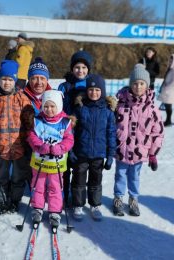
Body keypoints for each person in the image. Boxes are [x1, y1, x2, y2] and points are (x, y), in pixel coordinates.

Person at [113, 64, 164, 217]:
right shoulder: (120, 104)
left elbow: (158, 132)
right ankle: (118, 198)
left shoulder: (152, 108)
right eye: (135, 83)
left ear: (147, 86)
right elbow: (111, 126)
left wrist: (153, 154)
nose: (138, 86)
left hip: (140, 151)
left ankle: (133, 199)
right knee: (120, 174)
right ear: (130, 84)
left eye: (142, 83)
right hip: (121, 149)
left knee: (134, 176)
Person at [0, 60, 35, 215]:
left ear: (15, 80)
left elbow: (29, 123)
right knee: (1, 177)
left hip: (19, 147)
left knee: (18, 177)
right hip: (2, 148)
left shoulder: (22, 98)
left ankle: (14, 201)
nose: (6, 83)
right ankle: (1, 201)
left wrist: (29, 143)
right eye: (3, 79)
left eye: (10, 79)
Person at [70, 74, 116, 221]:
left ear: (102, 91)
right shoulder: (80, 108)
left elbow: (111, 134)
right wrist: (70, 151)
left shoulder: (108, 112)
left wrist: (110, 156)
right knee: (79, 181)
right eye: (91, 89)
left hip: (98, 155)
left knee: (96, 181)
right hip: (81, 153)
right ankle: (78, 204)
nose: (94, 93)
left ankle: (95, 205)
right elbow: (71, 132)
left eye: (97, 90)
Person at [27, 90, 74, 227]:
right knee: (38, 185)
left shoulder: (65, 122)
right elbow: (31, 137)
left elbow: (69, 140)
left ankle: (55, 210)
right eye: (46, 106)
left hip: (56, 163)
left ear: (58, 106)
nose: (49, 109)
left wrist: (61, 148)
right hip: (39, 162)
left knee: (55, 187)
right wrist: (40, 146)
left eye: (52, 106)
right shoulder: (37, 121)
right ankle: (37, 207)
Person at [58, 50, 93, 206]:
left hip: (83, 133)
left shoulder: (92, 86)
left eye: (84, 68)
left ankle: (76, 197)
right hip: (65, 130)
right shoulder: (64, 86)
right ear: (72, 69)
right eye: (77, 67)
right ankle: (62, 195)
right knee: (64, 167)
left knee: (79, 168)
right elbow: (59, 107)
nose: (81, 70)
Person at [157, 54, 174, 127]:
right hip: (167, 90)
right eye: (170, 59)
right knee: (167, 106)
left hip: (169, 91)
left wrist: (167, 87)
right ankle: (168, 120)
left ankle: (169, 121)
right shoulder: (172, 68)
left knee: (168, 106)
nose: (170, 61)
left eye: (172, 60)